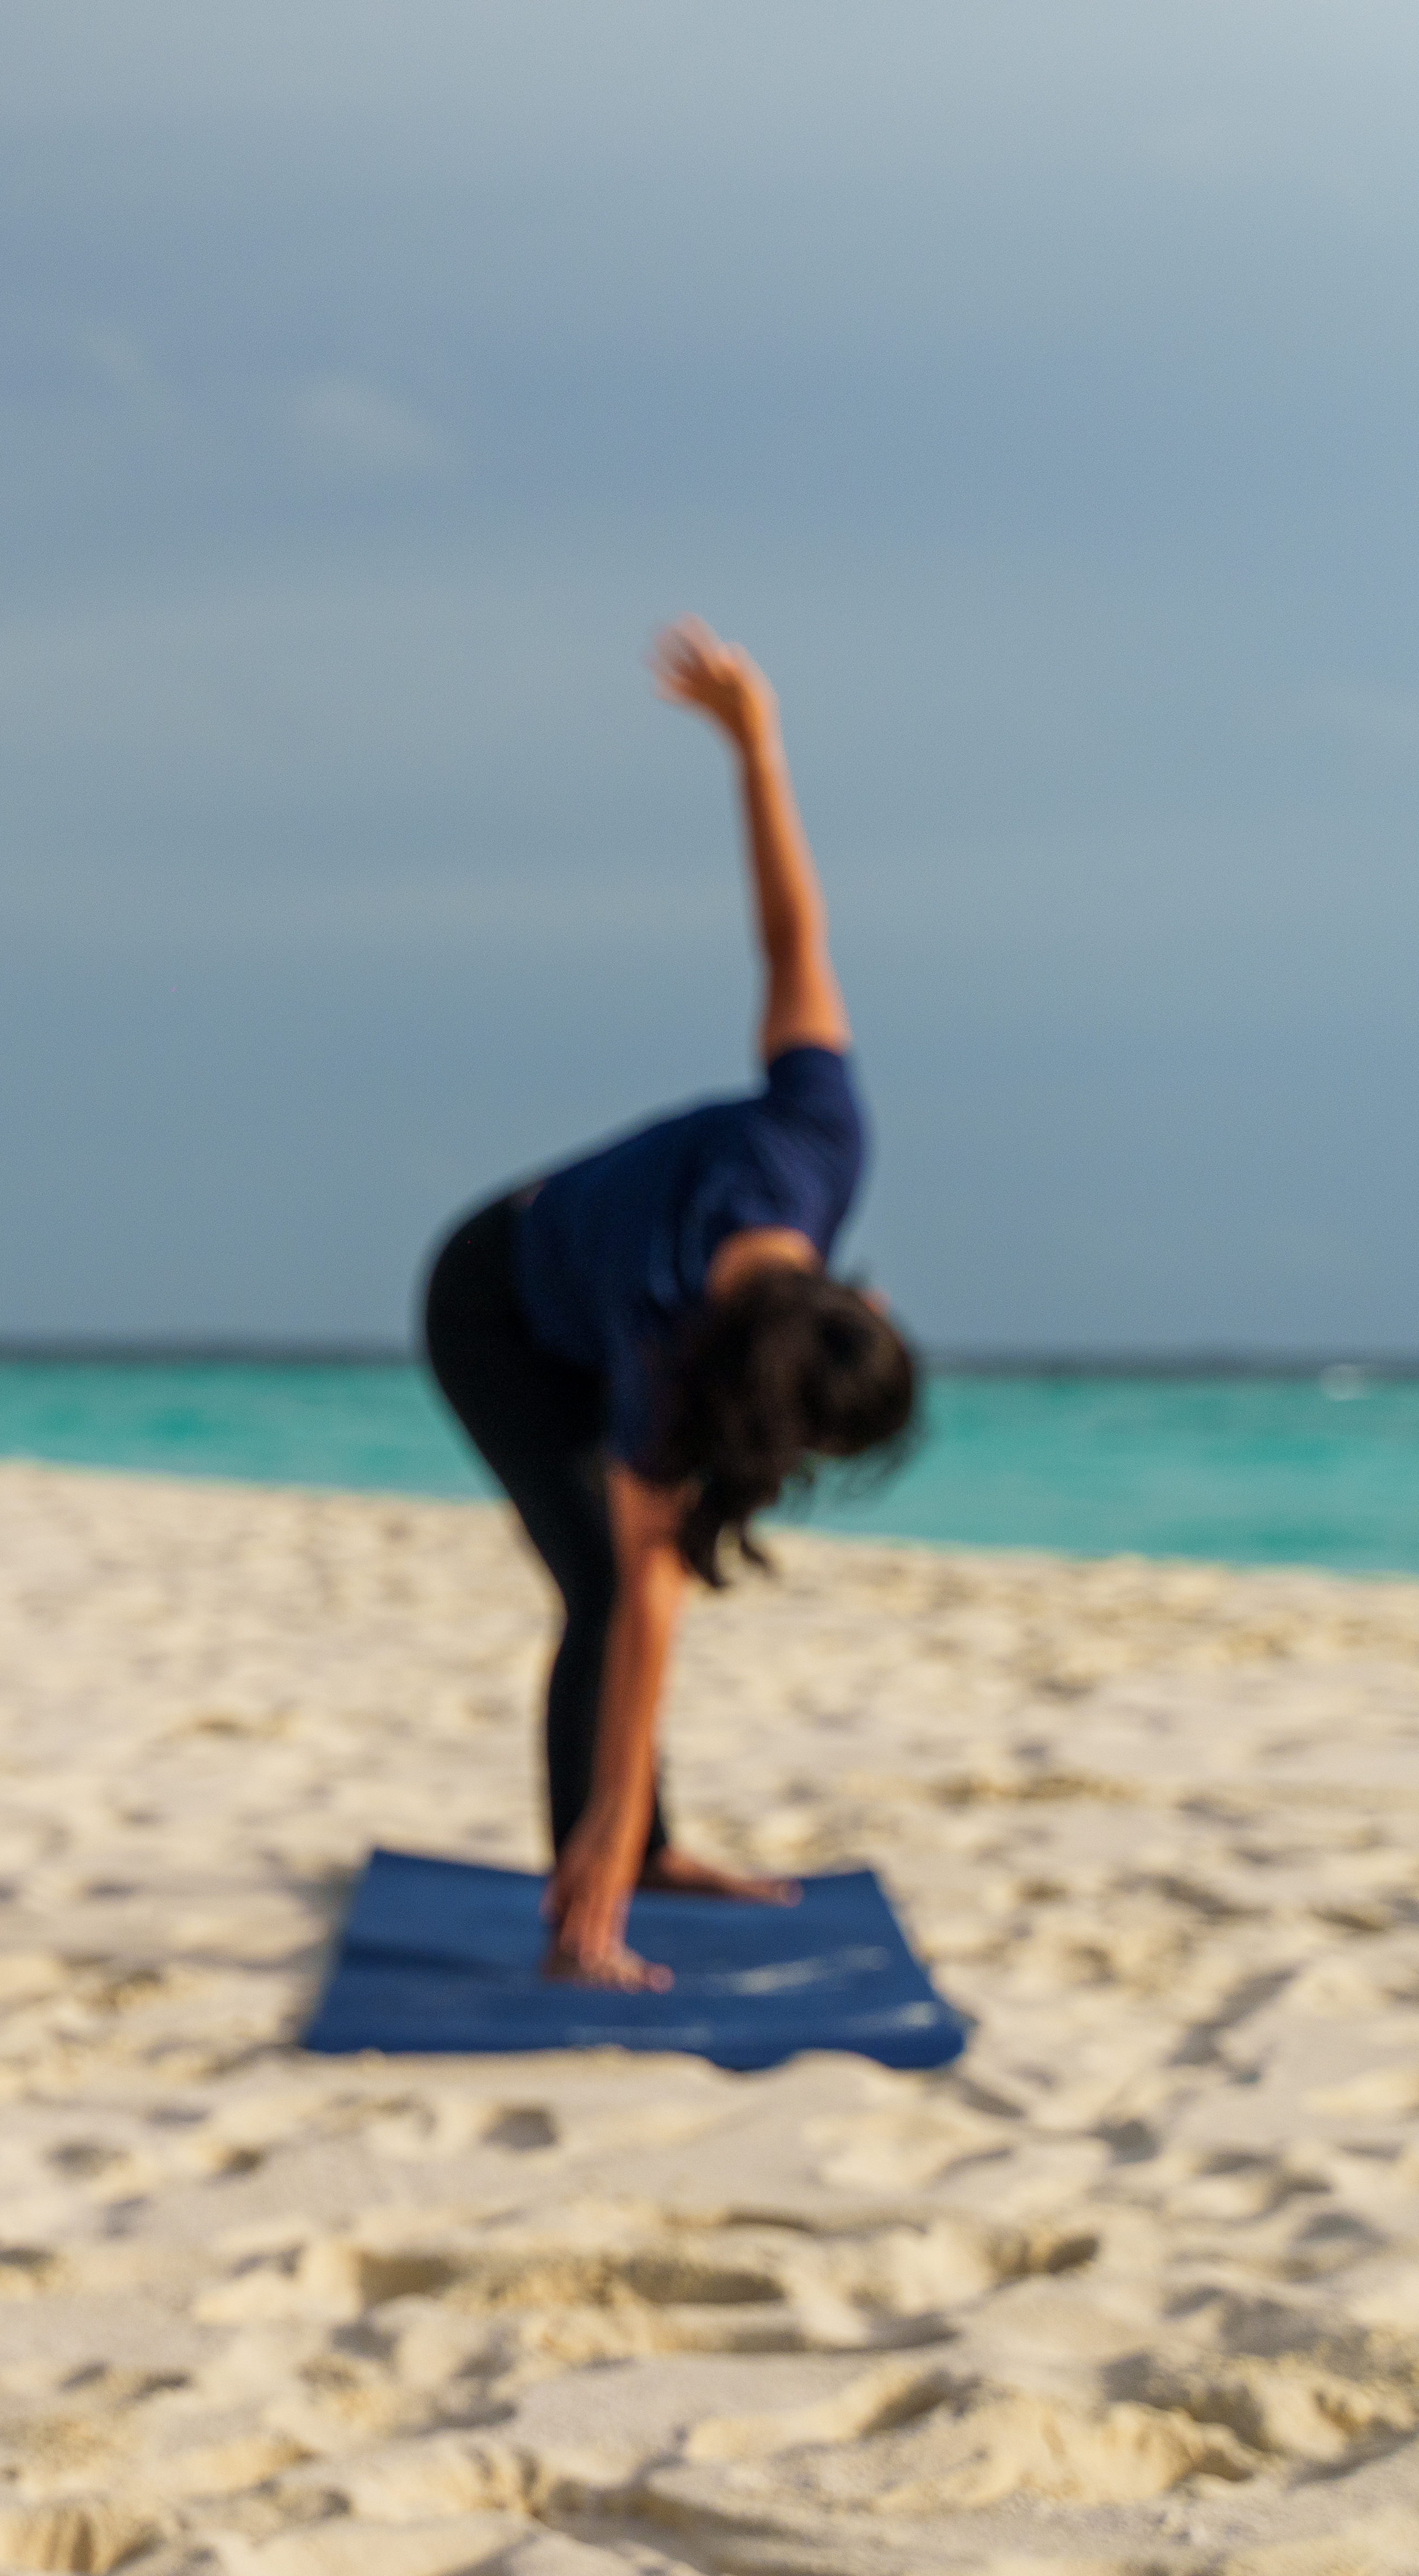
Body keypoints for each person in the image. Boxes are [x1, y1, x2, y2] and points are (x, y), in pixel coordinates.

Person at [419, 620, 919, 1993]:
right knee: (600, 1584)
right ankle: (601, 1869)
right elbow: (650, 1600)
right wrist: (604, 1821)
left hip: (581, 1281)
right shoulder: (658, 1345)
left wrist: (758, 744)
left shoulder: (821, 1139)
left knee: (627, 1582)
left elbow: (789, 936)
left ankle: (641, 1843)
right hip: (492, 1310)